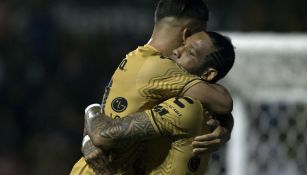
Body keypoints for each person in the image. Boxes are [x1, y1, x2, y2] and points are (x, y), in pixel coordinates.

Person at [70, 0, 234, 174]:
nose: (180, 51)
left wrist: (226, 126)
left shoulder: (139, 59)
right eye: (197, 36)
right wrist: (91, 111)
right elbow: (223, 102)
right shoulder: (160, 68)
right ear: (188, 34)